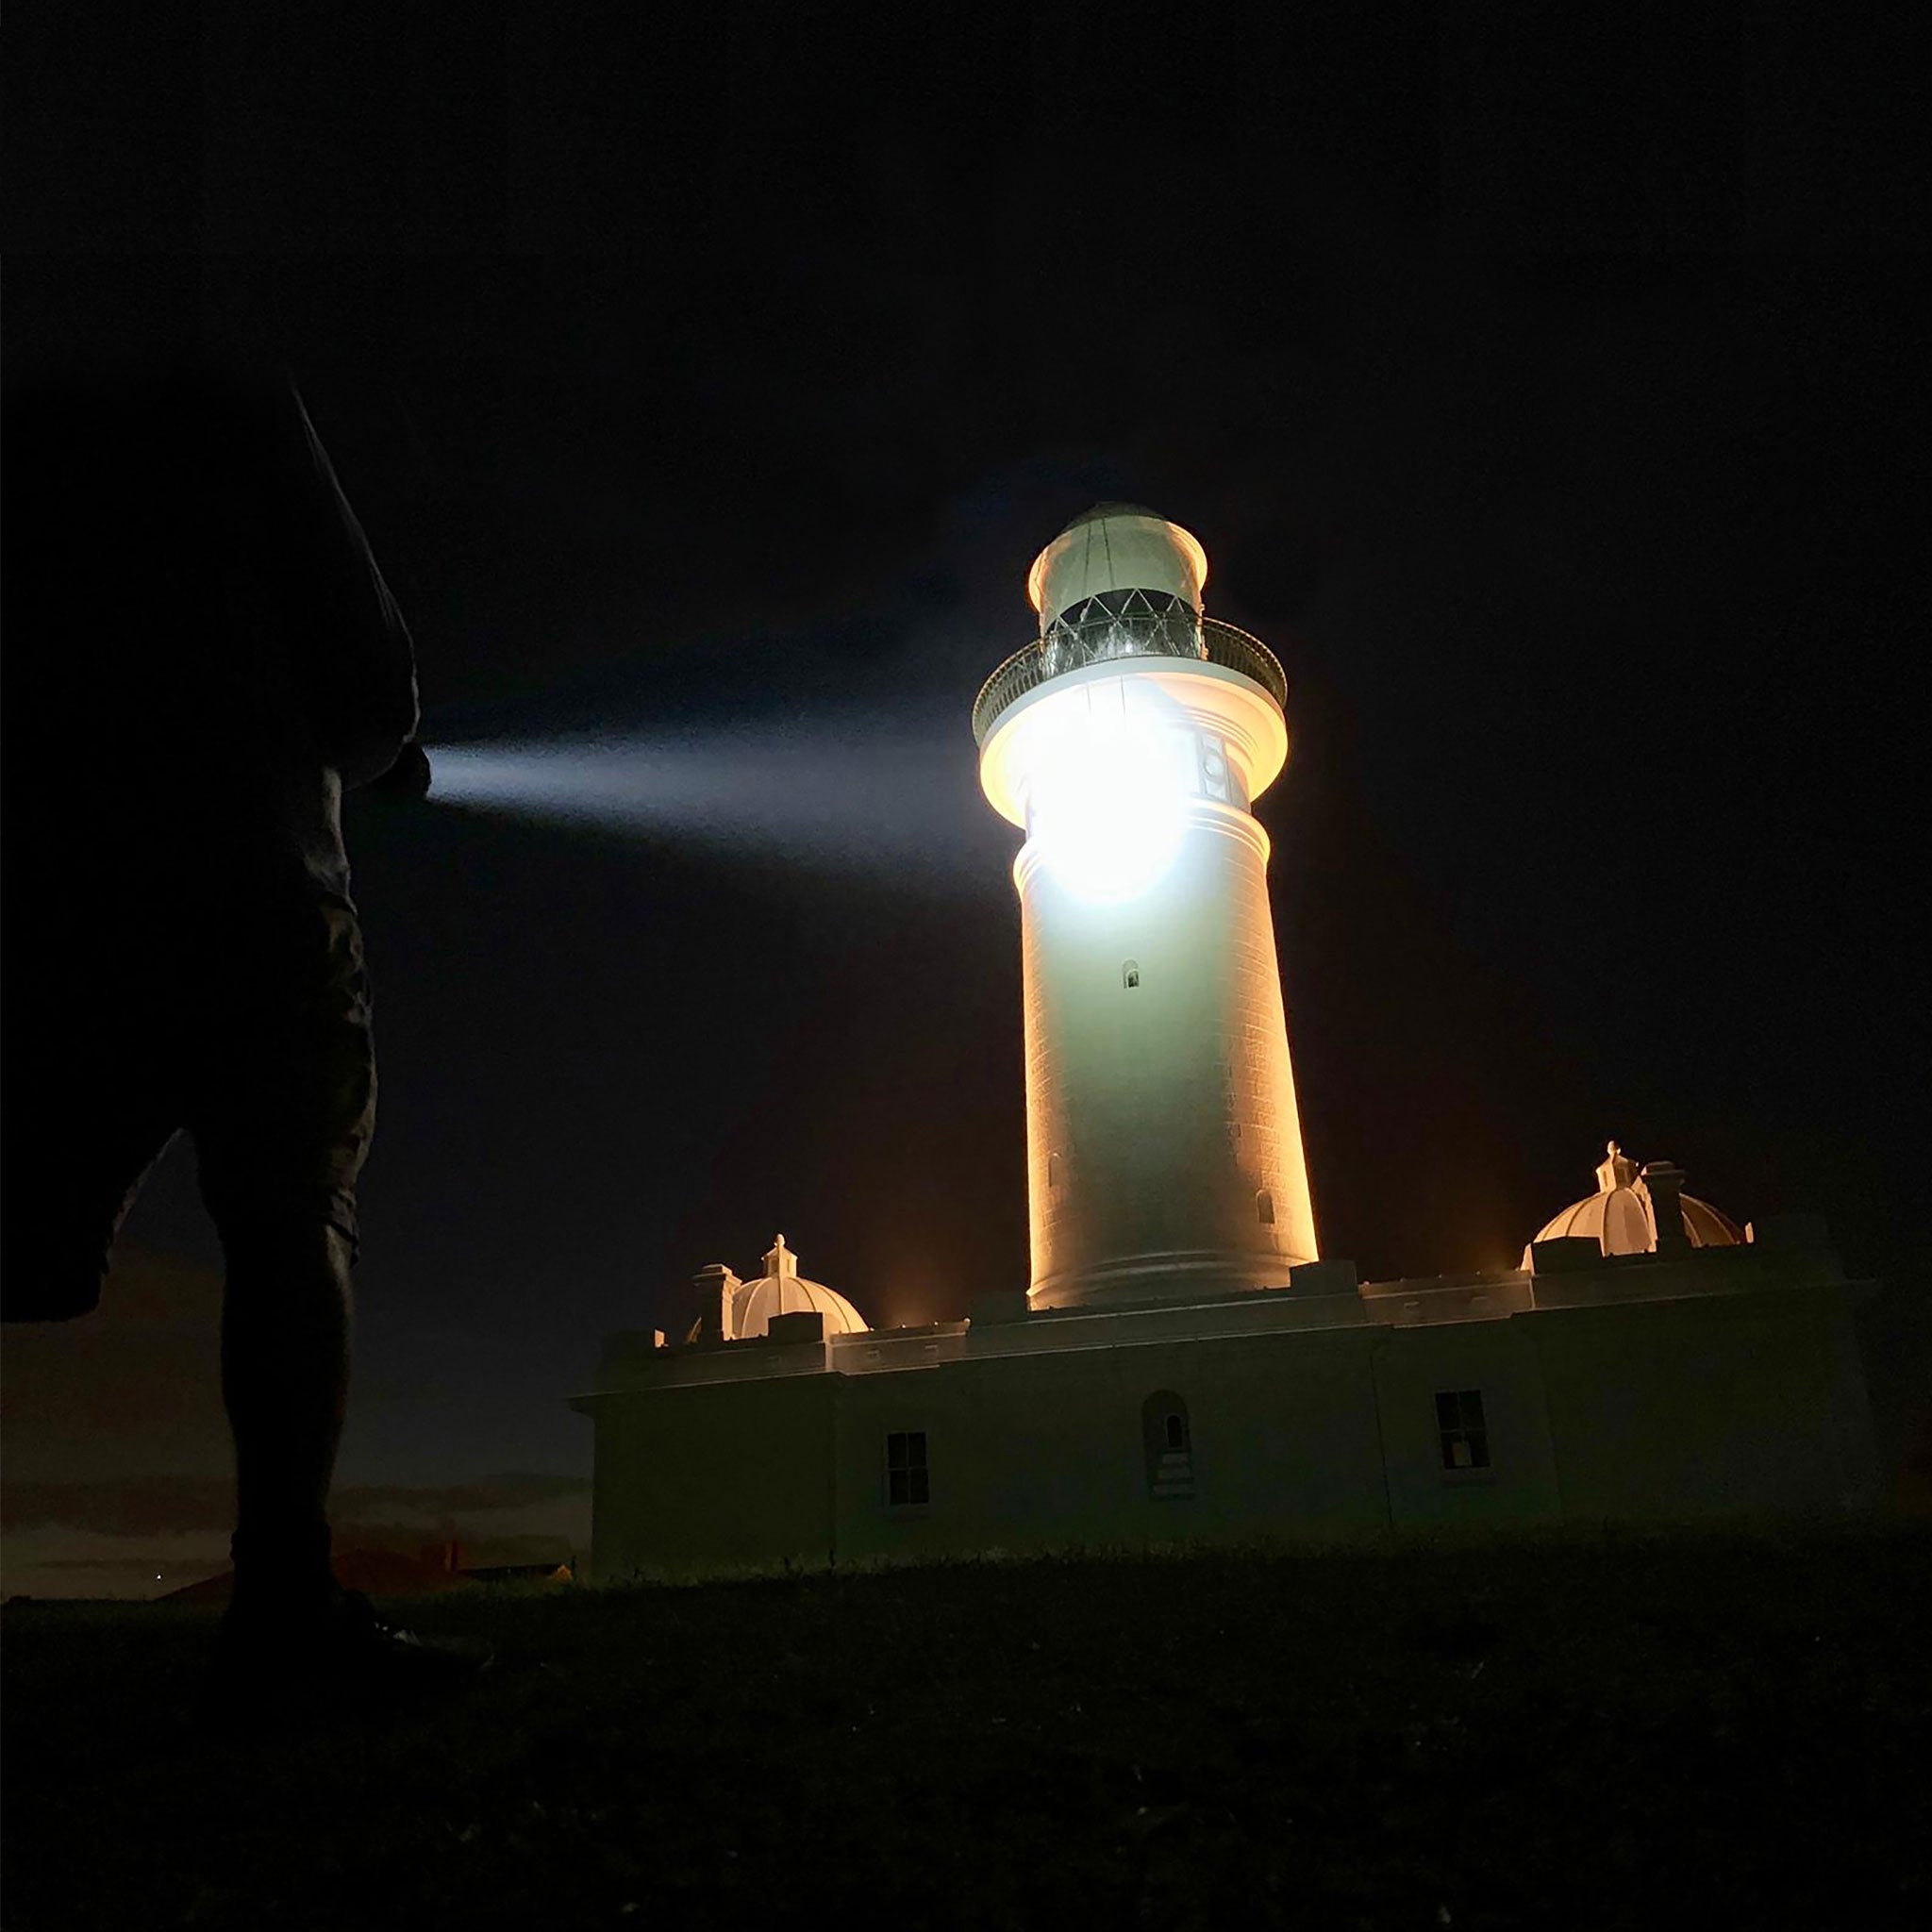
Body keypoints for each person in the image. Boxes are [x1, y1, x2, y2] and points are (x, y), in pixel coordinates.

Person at [1, 331, 486, 1721]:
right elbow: (368, 687)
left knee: (26, 1230)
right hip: (250, 885)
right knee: (289, 1223)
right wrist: (377, 757)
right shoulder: (222, 375)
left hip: (50, 894)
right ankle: (283, 1605)